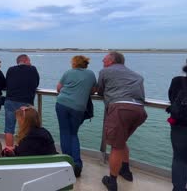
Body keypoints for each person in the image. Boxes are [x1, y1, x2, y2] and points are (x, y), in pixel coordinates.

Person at [98, 52, 148, 191]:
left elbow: (100, 91)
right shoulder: (137, 75)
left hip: (120, 109)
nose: (103, 60)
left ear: (111, 61)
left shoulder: (105, 71)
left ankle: (112, 181)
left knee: (116, 146)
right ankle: (125, 171)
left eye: (105, 59)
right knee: (121, 141)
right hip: (139, 110)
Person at [56, 55, 97, 177]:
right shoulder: (91, 74)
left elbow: (59, 88)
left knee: (64, 133)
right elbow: (94, 90)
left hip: (62, 104)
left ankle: (66, 163)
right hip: (79, 108)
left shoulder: (69, 72)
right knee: (73, 134)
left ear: (74, 63)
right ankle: (77, 164)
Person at [4, 54, 40, 147]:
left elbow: (6, 83)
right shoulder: (32, 69)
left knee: (9, 128)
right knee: (27, 128)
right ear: (25, 61)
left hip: (10, 101)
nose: (30, 63)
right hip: (26, 102)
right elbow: (36, 83)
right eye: (29, 61)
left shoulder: (10, 69)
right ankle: (24, 150)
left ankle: (9, 150)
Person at [168, 57, 187, 191]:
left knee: (179, 159)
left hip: (179, 126)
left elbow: (172, 99)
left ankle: (178, 188)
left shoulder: (177, 81)